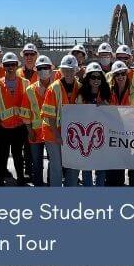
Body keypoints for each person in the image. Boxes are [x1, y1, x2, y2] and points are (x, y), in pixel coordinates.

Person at [0, 52, 29, 186]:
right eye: (7, 65)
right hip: (1, 128)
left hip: (19, 127)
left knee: (18, 155)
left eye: (13, 64)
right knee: (1, 156)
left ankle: (21, 178)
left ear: (17, 65)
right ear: (3, 66)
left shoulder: (26, 83)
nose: (10, 67)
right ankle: (0, 180)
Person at [41, 55, 81, 187]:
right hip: (53, 134)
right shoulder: (54, 88)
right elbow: (49, 115)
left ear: (76, 70)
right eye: (66, 69)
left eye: (71, 69)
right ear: (61, 71)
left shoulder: (80, 87)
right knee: (56, 166)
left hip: (72, 135)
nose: (69, 72)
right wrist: (57, 135)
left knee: (73, 165)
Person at [76, 62, 111, 186]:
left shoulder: (107, 93)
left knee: (101, 167)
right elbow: (77, 114)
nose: (96, 80)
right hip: (86, 137)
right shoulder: (81, 95)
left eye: (99, 77)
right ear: (87, 79)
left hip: (103, 137)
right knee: (87, 167)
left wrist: (104, 106)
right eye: (93, 77)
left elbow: (113, 114)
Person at [20, 55, 54, 187]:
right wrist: (29, 131)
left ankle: (52, 183)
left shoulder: (57, 87)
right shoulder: (30, 90)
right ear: (36, 70)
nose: (43, 70)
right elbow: (25, 113)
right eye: (40, 68)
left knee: (53, 161)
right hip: (35, 132)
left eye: (46, 67)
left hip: (52, 132)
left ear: (51, 69)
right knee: (37, 162)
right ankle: (38, 185)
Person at [106, 60, 133, 186]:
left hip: (128, 133)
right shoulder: (109, 91)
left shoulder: (133, 91)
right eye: (117, 74)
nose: (120, 77)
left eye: (122, 73)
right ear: (113, 76)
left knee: (122, 163)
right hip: (112, 133)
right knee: (111, 163)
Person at [17, 43, 39, 182]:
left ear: (36, 56)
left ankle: (35, 170)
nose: (29, 57)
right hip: (21, 116)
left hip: (36, 117)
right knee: (23, 144)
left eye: (32, 54)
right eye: (26, 54)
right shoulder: (18, 72)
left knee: (34, 145)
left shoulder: (42, 70)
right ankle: (26, 170)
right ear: (23, 56)